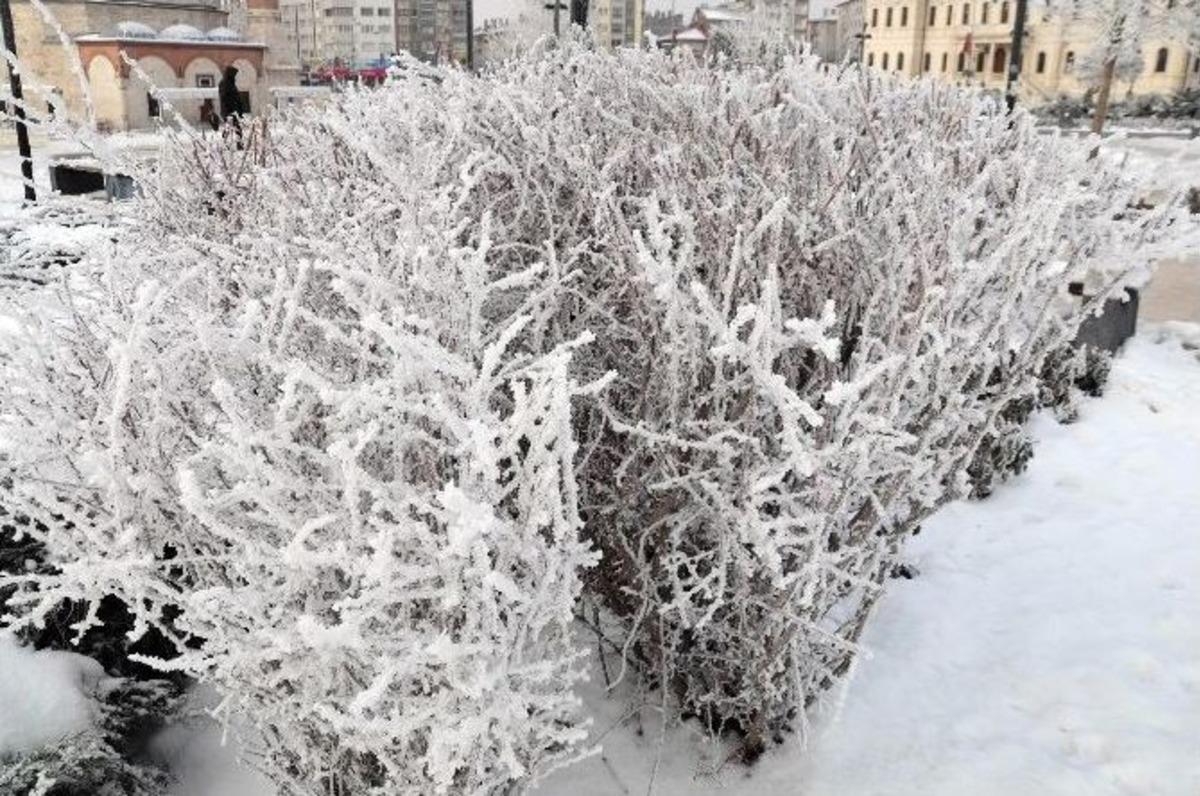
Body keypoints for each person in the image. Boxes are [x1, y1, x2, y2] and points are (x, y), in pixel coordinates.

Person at [218, 65, 246, 144]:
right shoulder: (224, 83)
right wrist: (231, 109)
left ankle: (229, 143)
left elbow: (235, 96)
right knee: (233, 128)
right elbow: (226, 98)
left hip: (233, 110)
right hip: (229, 110)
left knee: (231, 127)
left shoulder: (230, 82)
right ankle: (234, 143)